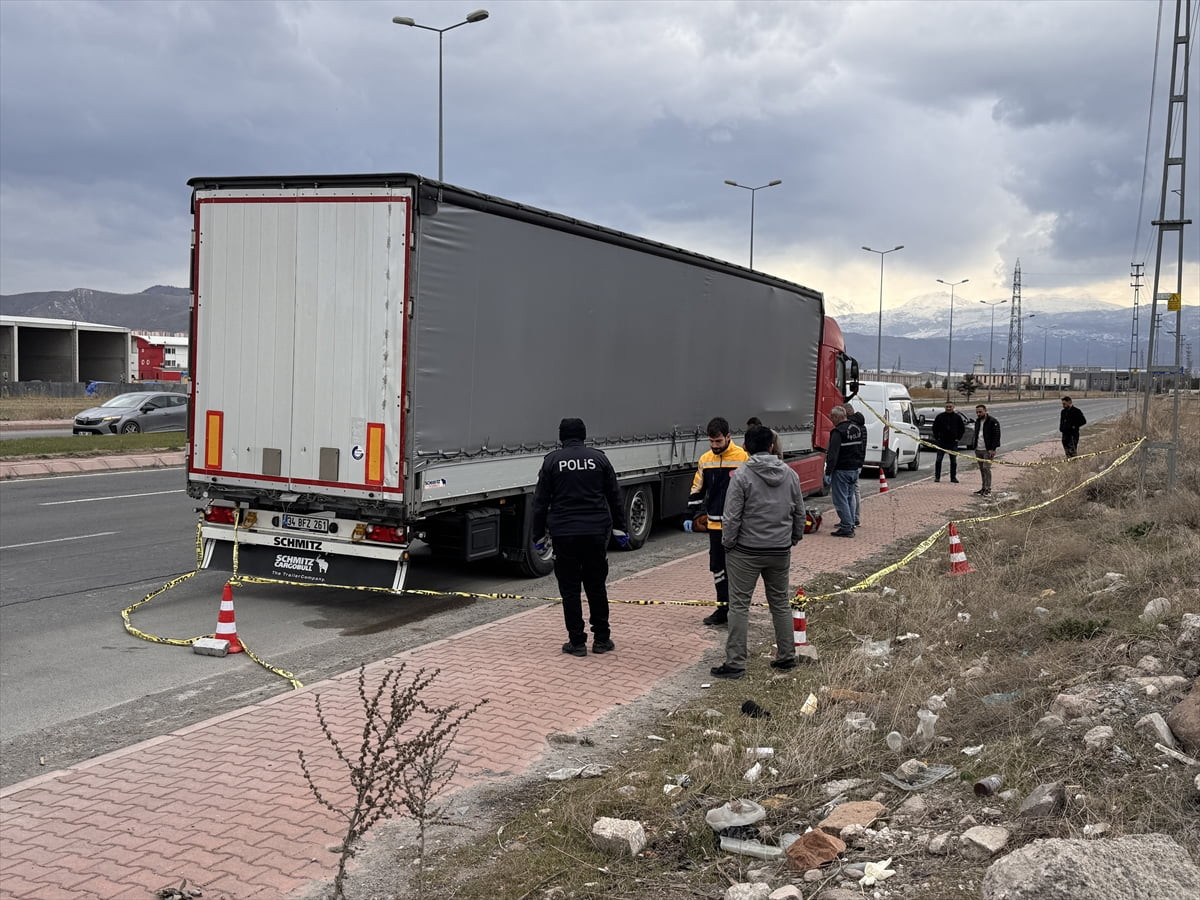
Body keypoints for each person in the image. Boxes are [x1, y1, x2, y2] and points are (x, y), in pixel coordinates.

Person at [710, 425, 807, 679]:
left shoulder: (741, 476)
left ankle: (736, 663)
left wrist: (728, 544)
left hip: (745, 551)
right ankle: (786, 657)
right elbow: (800, 512)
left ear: (746, 447)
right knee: (780, 604)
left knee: (739, 606)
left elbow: (731, 518)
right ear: (772, 447)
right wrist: (793, 539)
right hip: (779, 550)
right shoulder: (790, 475)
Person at [531, 417, 629, 657]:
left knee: (570, 589)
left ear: (561, 436)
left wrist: (538, 535)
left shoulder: (552, 461)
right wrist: (621, 528)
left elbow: (540, 503)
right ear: (584, 435)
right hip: (596, 532)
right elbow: (615, 496)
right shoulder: (599, 459)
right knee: (596, 586)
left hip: (564, 534)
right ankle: (602, 639)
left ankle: (576, 642)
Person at [689, 416, 750, 626]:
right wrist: (692, 515)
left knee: (739, 568)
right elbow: (697, 488)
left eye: (719, 442)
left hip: (738, 526)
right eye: (711, 442)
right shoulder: (706, 460)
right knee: (717, 567)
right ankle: (722, 609)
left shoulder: (743, 458)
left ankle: (738, 610)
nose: (715, 446)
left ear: (728, 437)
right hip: (714, 525)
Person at [824, 406, 865, 537]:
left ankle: (847, 527)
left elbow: (833, 454)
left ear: (837, 417)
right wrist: (859, 465)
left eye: (831, 417)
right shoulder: (856, 429)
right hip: (854, 469)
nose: (830, 419)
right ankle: (851, 522)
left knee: (840, 499)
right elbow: (860, 448)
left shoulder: (838, 432)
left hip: (841, 470)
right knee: (849, 497)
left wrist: (828, 472)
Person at [841, 402, 866, 526]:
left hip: (851, 463)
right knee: (855, 490)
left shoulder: (851, 426)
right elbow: (862, 446)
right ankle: (854, 517)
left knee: (850, 493)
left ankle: (851, 518)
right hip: (858, 461)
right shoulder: (862, 425)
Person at [931, 402, 966, 483]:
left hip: (953, 443)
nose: (948, 408)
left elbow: (962, 429)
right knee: (939, 460)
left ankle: (953, 477)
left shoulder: (957, 417)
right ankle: (937, 477)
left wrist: (958, 438)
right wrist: (937, 438)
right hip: (941, 442)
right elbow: (934, 428)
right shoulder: (940, 416)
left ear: (953, 407)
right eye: (947, 407)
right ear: (945, 407)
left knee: (953, 461)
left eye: (950, 407)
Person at [971, 404, 1001, 496]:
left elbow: (996, 436)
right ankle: (983, 488)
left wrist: (993, 449)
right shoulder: (977, 421)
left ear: (985, 411)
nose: (978, 414)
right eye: (977, 412)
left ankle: (988, 489)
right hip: (978, 449)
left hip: (988, 450)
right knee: (981, 469)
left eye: (980, 412)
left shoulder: (992, 421)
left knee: (986, 468)